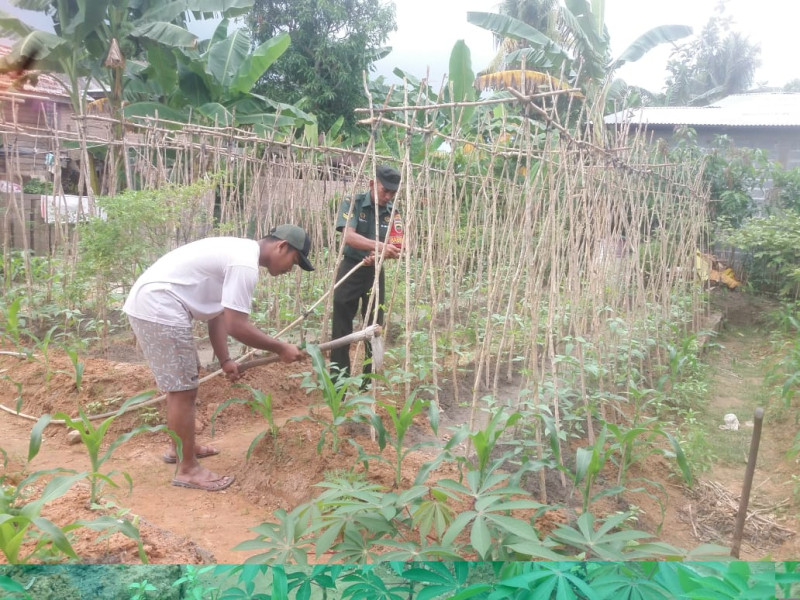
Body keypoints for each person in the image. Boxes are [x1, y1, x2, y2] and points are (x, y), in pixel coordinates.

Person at [122, 225, 314, 492]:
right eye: (294, 261)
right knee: (182, 391)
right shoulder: (244, 263)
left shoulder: (239, 253)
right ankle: (187, 469)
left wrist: (225, 360)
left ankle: (181, 449)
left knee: (181, 388)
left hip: (154, 303)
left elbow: (220, 316)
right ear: (281, 246)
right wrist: (280, 348)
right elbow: (237, 325)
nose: (290, 269)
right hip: (160, 306)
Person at [330, 165, 402, 382]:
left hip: (375, 273)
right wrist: (380, 246)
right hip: (351, 268)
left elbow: (399, 244)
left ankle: (366, 384)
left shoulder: (394, 212)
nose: (388, 197)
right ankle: (338, 383)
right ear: (372, 184)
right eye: (384, 191)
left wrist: (382, 254)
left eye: (392, 193)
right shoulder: (354, 202)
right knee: (341, 327)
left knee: (374, 329)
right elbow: (348, 238)